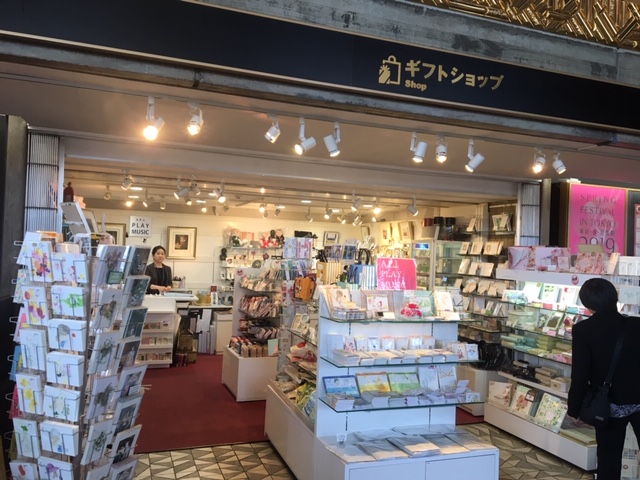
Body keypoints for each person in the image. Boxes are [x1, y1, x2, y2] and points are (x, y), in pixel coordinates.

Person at [567, 278, 640, 480]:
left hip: (608, 405)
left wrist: (574, 409)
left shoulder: (583, 330)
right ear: (614, 298)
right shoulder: (636, 324)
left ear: (587, 304)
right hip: (638, 399)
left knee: (608, 459)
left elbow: (580, 373)